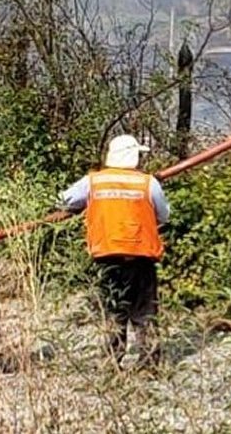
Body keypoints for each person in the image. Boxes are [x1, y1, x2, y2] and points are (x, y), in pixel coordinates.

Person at [53, 134, 170, 366]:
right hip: (141, 256)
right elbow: (164, 215)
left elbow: (62, 201)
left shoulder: (93, 182)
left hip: (107, 256)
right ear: (134, 156)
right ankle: (149, 363)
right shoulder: (148, 182)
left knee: (113, 310)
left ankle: (111, 363)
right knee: (145, 312)